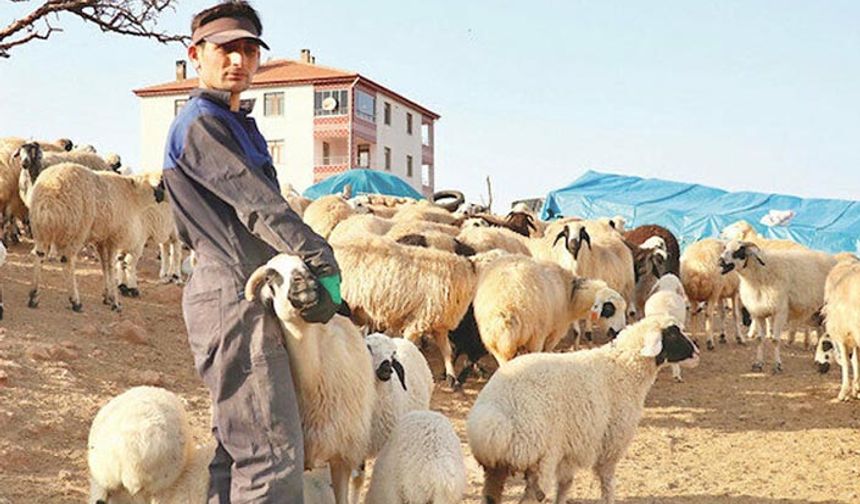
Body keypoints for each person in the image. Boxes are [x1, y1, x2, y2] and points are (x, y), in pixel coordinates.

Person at [162, 1, 342, 502]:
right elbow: (257, 204)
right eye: (225, 48)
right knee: (271, 455)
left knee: (237, 446)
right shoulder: (201, 124)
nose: (238, 60)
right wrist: (320, 259)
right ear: (195, 53)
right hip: (232, 291)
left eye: (248, 49)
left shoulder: (237, 122)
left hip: (247, 289)